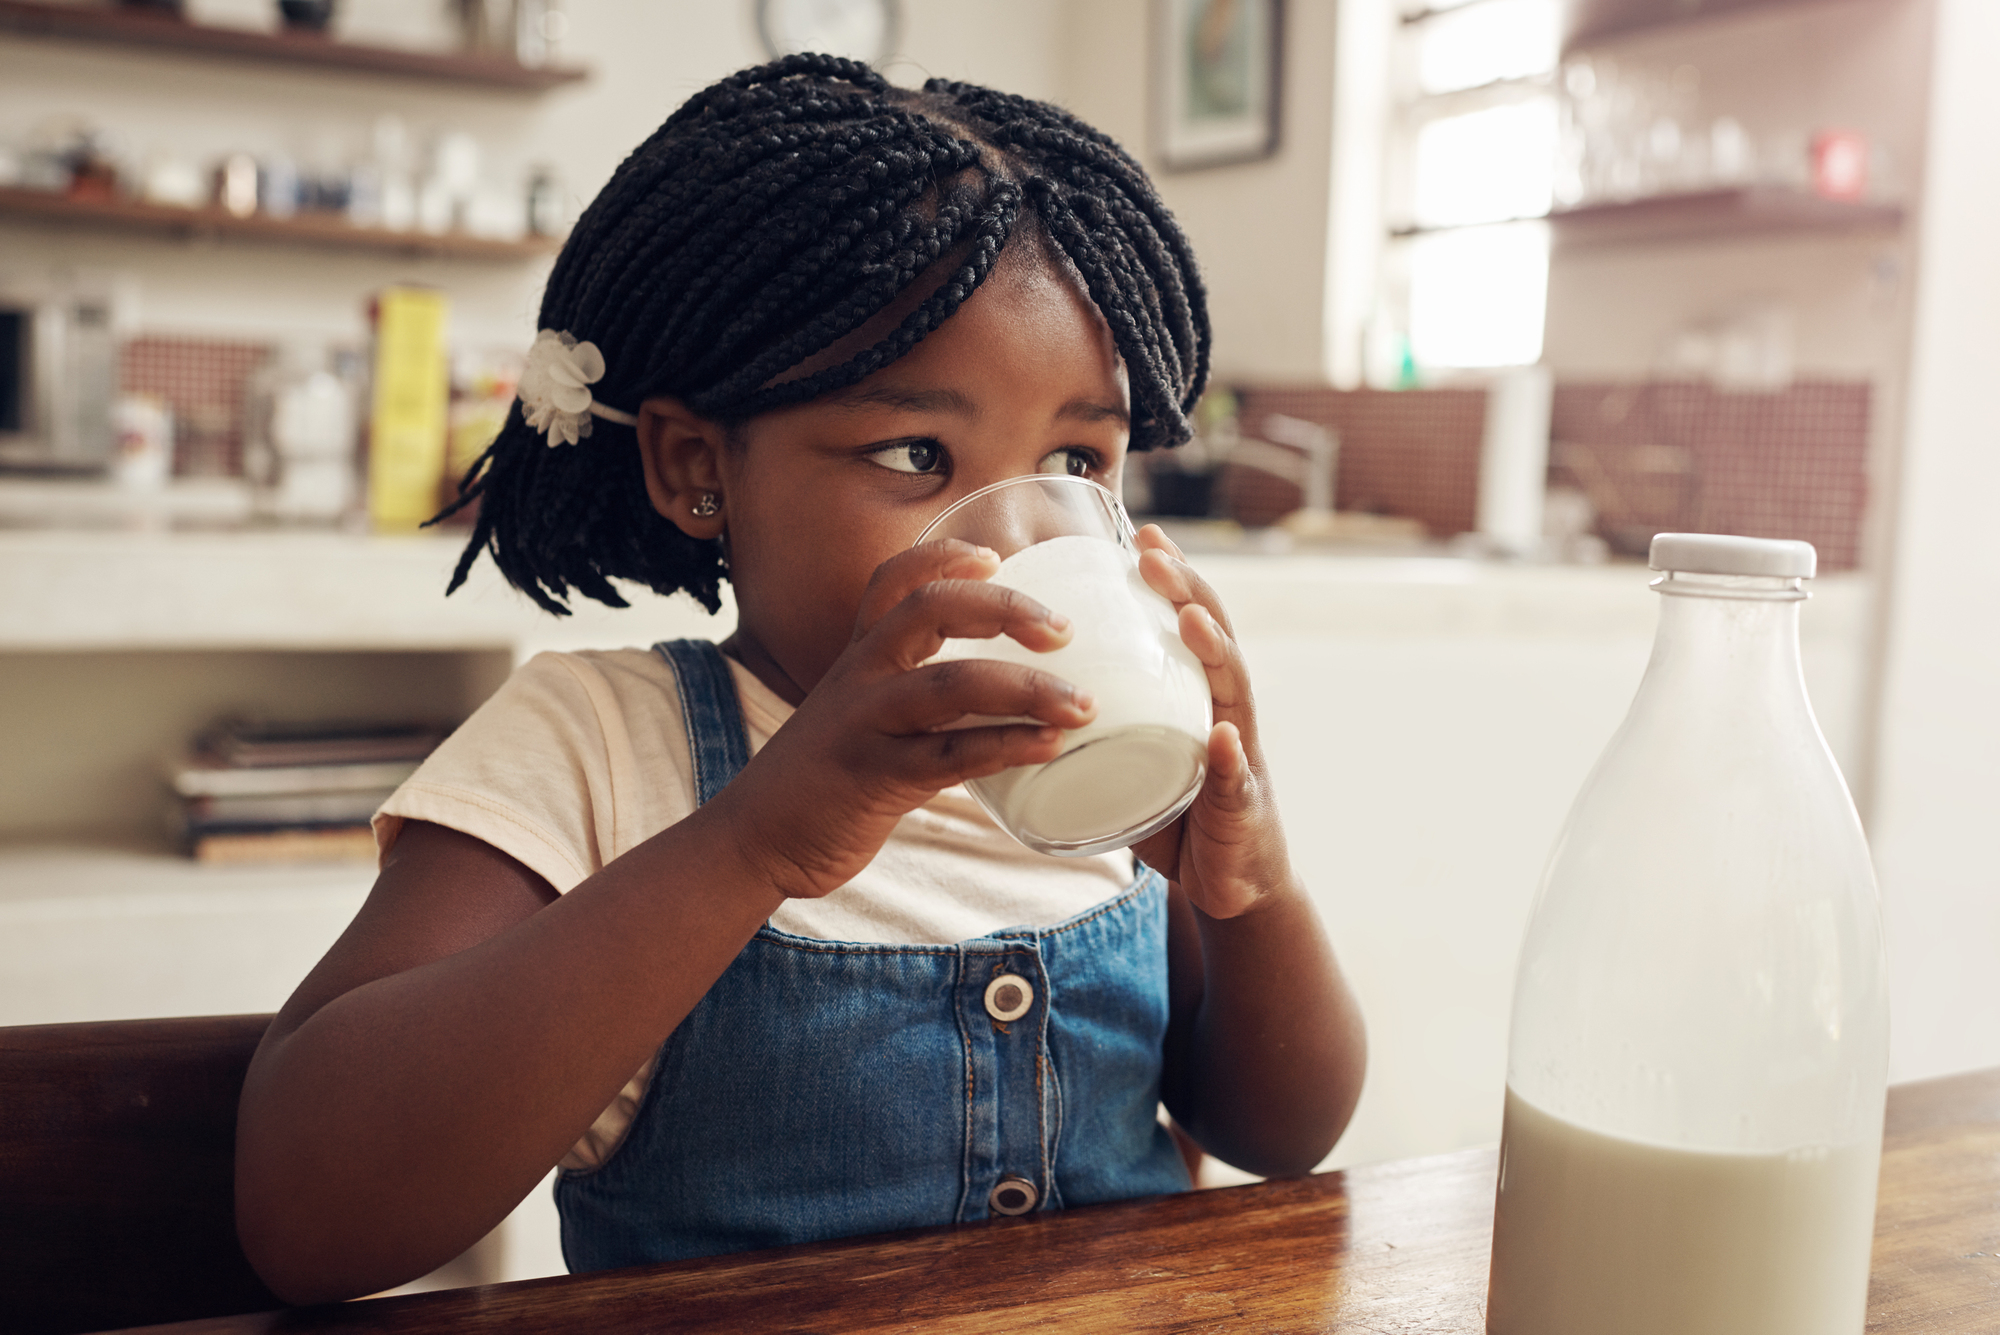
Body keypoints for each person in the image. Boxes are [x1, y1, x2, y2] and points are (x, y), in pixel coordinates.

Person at [233, 54, 1365, 1304]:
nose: (1014, 541)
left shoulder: (1102, 771)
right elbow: (311, 1214)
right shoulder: (601, 748)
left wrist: (1250, 894)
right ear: (691, 466)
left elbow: (1281, 1132)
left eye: (1076, 462)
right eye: (914, 453)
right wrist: (754, 844)